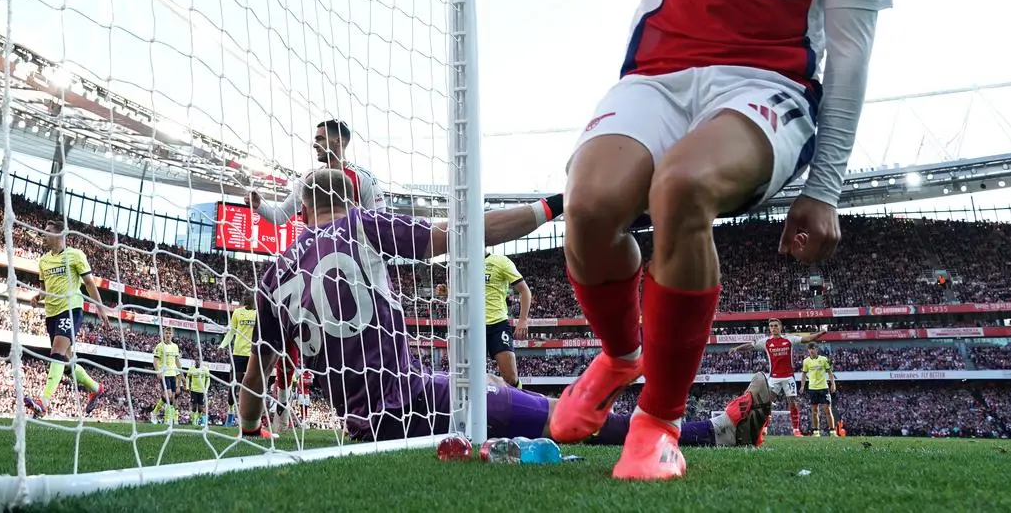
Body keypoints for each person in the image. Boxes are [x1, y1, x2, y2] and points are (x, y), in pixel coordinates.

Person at [441, 0, 891, 480]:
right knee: (587, 206)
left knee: (679, 191)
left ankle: (658, 424)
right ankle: (619, 359)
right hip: (656, 76)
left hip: (766, 89)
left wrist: (827, 188)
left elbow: (851, 50)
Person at [236, 169, 772, 451]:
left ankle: (699, 429)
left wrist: (251, 430)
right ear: (351, 202)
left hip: (365, 420)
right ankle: (711, 434)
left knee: (529, 405)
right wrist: (557, 205)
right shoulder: (361, 226)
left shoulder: (272, 275)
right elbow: (466, 235)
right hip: (413, 401)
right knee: (555, 418)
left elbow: (256, 375)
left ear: (301, 210)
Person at [23, 221, 109, 418]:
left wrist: (100, 308)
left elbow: (88, 283)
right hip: (51, 313)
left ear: (60, 235)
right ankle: (96, 388)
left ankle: (43, 402)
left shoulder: (76, 255)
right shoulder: (43, 260)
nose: (43, 235)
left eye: (47, 232)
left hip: (71, 309)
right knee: (67, 363)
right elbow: (45, 288)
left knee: (57, 353)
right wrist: (38, 296)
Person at [249, 120, 386, 226]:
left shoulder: (363, 178)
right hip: (316, 254)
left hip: (350, 258)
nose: (315, 145)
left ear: (338, 141)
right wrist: (258, 206)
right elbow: (279, 217)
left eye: (320, 139)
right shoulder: (308, 178)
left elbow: (379, 223)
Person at [729, 318, 826, 435]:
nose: (773, 328)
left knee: (792, 402)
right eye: (771, 326)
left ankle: (796, 430)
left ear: (780, 327)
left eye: (775, 325)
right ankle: (764, 428)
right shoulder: (766, 342)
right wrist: (737, 348)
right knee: (767, 402)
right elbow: (750, 346)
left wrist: (822, 332)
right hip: (774, 377)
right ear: (769, 328)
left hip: (788, 377)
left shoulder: (789, 339)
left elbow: (809, 338)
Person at [484, 250, 532, 387]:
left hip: (497, 324)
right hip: (473, 327)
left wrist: (522, 320)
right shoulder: (463, 265)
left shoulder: (501, 261)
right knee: (472, 375)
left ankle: (519, 403)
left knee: (510, 378)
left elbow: (524, 290)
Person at [220, 293, 257, 394]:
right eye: (244, 296)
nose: (245, 298)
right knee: (234, 381)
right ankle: (231, 402)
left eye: (247, 296)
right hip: (238, 352)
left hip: (252, 353)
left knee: (250, 383)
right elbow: (232, 331)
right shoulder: (237, 312)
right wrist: (222, 345)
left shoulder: (258, 314)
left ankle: (243, 404)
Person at [801, 343, 837, 436]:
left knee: (827, 409)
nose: (811, 351)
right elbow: (804, 374)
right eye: (809, 349)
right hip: (812, 388)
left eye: (813, 348)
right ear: (808, 351)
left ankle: (832, 431)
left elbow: (829, 372)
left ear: (816, 349)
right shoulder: (806, 361)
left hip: (823, 387)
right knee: (814, 411)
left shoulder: (823, 359)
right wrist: (802, 386)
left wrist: (833, 384)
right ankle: (816, 431)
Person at [151, 327, 181, 424]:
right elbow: (155, 361)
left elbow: (177, 361)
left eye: (169, 333)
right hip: (164, 374)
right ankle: (165, 419)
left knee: (172, 397)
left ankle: (157, 413)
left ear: (172, 335)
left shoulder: (175, 346)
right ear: (163, 334)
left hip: (173, 374)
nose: (168, 335)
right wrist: (158, 371)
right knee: (168, 395)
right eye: (166, 333)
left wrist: (181, 374)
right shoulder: (160, 346)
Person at [184, 355, 211, 427]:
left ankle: (197, 418)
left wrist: (206, 389)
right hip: (194, 390)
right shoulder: (191, 369)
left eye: (199, 360)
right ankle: (194, 421)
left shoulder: (205, 369)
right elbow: (187, 377)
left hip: (202, 391)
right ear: (195, 361)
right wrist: (187, 386)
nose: (197, 361)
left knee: (200, 408)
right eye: (196, 360)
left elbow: (208, 379)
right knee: (194, 406)